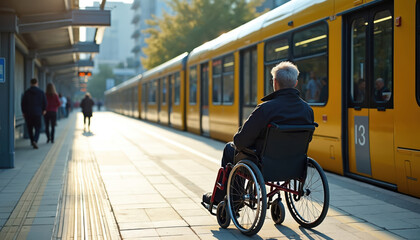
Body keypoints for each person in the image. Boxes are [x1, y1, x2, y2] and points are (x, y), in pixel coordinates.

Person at [202, 61, 314, 204]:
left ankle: (228, 200)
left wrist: (238, 139)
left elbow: (240, 142)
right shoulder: (307, 110)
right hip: (294, 164)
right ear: (296, 83)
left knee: (230, 149)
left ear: (275, 82)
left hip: (264, 164)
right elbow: (307, 140)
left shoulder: (266, 109)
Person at [21, 78, 47, 149]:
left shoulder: (26, 92)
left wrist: (23, 112)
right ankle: (35, 140)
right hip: (38, 113)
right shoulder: (41, 92)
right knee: (37, 128)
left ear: (30, 83)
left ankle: (32, 140)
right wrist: (44, 109)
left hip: (28, 113)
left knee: (30, 128)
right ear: (37, 83)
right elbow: (44, 102)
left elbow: (23, 103)